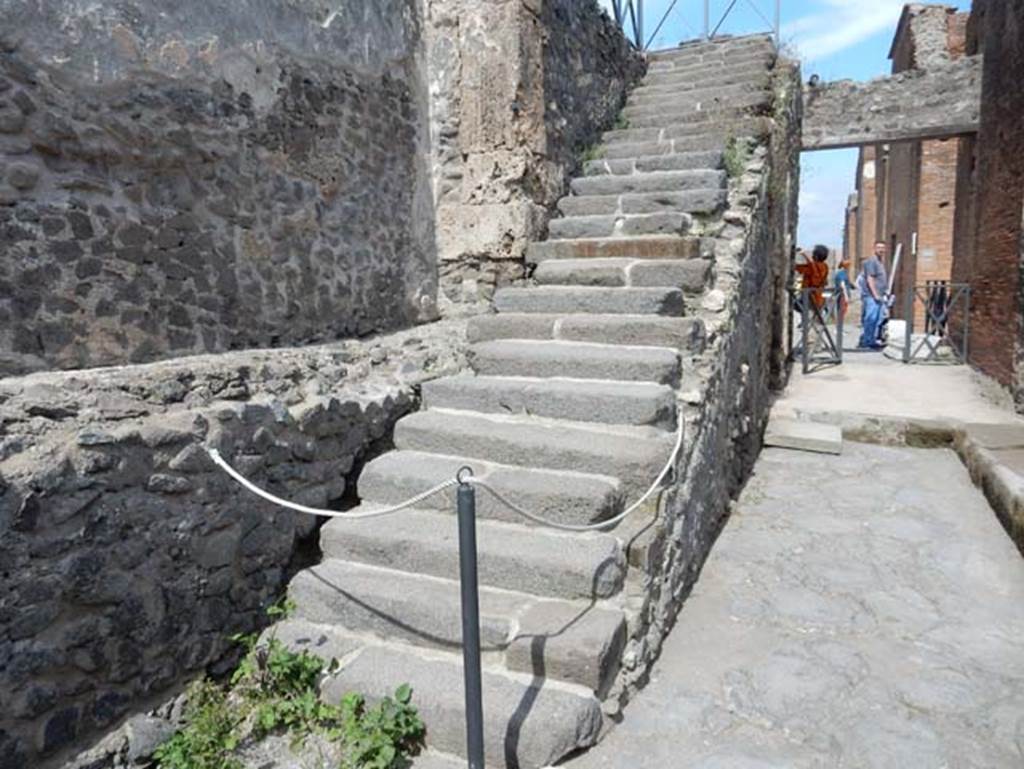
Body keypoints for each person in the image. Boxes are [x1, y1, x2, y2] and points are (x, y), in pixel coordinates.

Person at [858, 241, 888, 349]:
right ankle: (867, 341)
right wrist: (875, 294)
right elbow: (870, 278)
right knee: (871, 318)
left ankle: (872, 340)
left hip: (879, 295)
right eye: (879, 247)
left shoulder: (880, 262)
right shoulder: (872, 261)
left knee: (877, 319)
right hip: (872, 296)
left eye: (883, 248)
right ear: (874, 248)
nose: (881, 250)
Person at [794, 244, 830, 312]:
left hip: (810, 297)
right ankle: (806, 320)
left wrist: (803, 254)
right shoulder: (825, 267)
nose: (812, 256)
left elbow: (806, 267)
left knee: (795, 304)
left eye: (813, 254)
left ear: (816, 257)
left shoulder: (812, 267)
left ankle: (805, 321)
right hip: (819, 297)